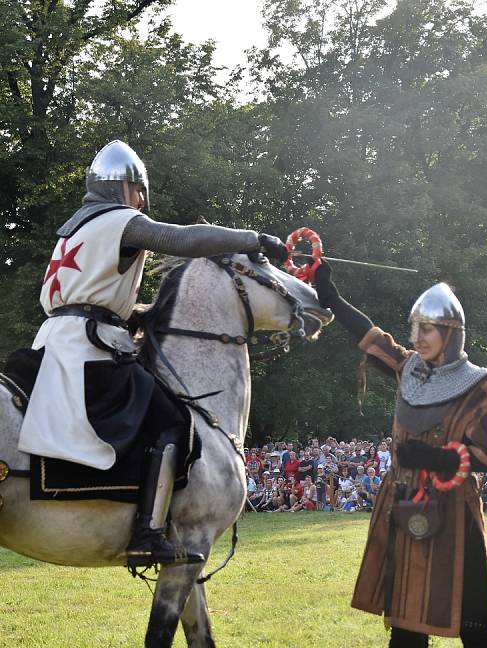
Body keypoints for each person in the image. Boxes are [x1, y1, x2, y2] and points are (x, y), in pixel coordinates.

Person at [18, 140, 289, 569]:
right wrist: (253, 238)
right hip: (88, 349)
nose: (141, 201)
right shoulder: (117, 221)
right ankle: (147, 531)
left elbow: (90, 298)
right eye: (138, 191)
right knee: (172, 418)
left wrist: (139, 313)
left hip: (53, 341)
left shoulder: (73, 230)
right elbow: (179, 238)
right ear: (126, 188)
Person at [315, 265, 487, 648]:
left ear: (450, 333)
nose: (418, 337)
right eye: (416, 329)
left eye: (427, 329)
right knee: (404, 620)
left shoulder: (478, 389)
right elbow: (371, 338)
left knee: (475, 626)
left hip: (453, 518)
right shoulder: (409, 371)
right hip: (406, 511)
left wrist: (446, 457)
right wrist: (332, 297)